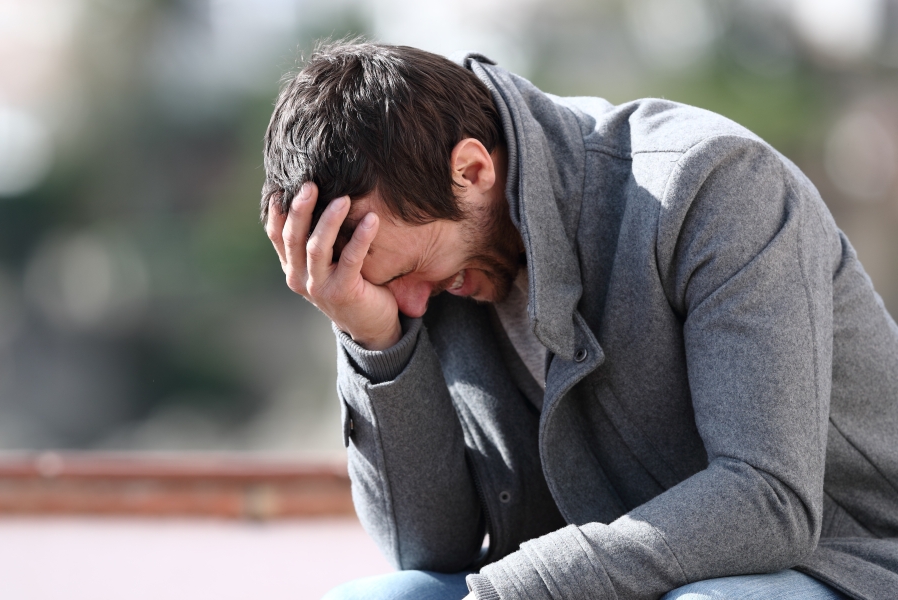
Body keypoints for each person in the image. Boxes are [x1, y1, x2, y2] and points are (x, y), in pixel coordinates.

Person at [259, 40, 898, 600]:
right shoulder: (423, 272)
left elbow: (768, 503)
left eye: (405, 273)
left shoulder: (712, 187)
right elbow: (430, 553)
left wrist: (525, 586)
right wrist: (374, 341)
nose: (414, 305)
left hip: (842, 562)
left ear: (472, 170)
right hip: (595, 578)